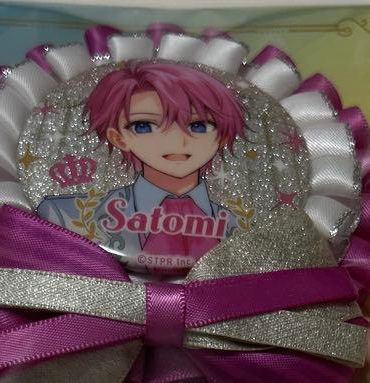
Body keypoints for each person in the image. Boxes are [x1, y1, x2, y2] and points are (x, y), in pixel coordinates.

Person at [37, 62, 246, 270]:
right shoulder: (64, 216)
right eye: (144, 126)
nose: (176, 141)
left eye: (197, 125)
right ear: (118, 138)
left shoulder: (245, 230)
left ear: (222, 136)